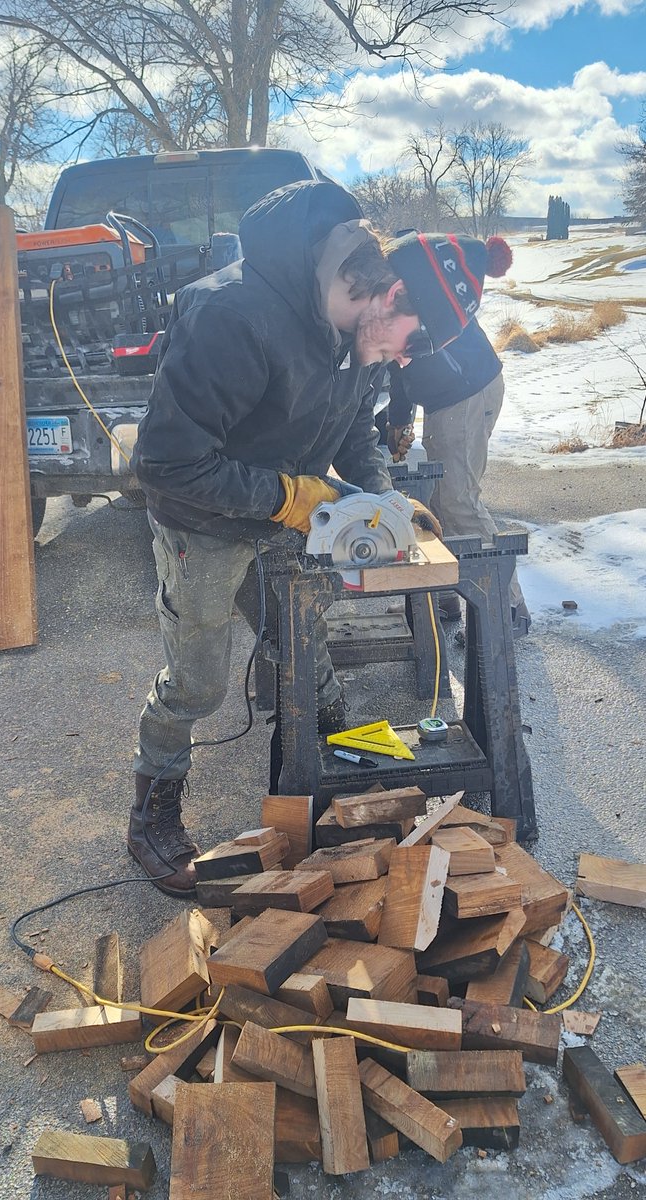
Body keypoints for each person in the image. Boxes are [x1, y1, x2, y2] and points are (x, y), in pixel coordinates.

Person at [129, 184, 499, 896]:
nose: (401, 359)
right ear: (389, 293)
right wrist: (293, 496)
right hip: (200, 525)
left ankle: (331, 773)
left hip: (282, 513)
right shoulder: (235, 316)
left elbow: (355, 425)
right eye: (411, 341)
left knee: (306, 650)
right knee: (199, 682)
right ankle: (151, 810)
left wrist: (379, 495)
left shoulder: (361, 335)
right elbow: (165, 465)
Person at [386, 245, 530, 632]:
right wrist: (397, 420)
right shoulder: (412, 277)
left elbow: (402, 364)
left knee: (458, 501)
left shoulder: (392, 288)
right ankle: (445, 594)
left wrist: (397, 420)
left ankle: (505, 609)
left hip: (460, 394)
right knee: (440, 496)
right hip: (472, 385)